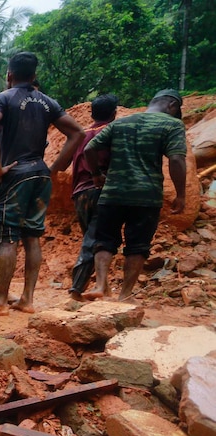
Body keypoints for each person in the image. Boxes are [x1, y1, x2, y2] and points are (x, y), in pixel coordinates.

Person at [0, 52, 84, 315]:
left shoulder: (3, 98)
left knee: (7, 238)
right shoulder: (48, 102)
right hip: (40, 174)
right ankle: (27, 300)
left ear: (9, 75)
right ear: (35, 75)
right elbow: (77, 133)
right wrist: (55, 168)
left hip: (14, 175)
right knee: (32, 237)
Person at [82, 89, 186, 302]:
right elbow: (176, 160)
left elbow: (89, 149)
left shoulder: (120, 123)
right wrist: (181, 194)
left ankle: (101, 285)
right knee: (137, 245)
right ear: (173, 106)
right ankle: (125, 295)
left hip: (112, 194)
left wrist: (96, 175)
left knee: (104, 240)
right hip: (146, 197)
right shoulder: (172, 125)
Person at [68, 94, 118, 300]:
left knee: (92, 238)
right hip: (100, 190)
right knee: (95, 241)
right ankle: (76, 288)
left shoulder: (81, 134)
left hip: (79, 193)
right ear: (114, 113)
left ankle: (102, 287)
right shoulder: (111, 132)